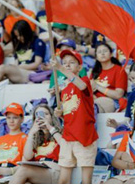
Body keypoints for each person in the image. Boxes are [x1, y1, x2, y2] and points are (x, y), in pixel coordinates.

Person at [50, 49, 98, 184]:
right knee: (63, 181)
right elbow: (71, 114)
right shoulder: (64, 89)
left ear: (79, 67)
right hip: (68, 136)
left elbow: (82, 86)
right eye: (64, 62)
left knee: (86, 181)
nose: (67, 65)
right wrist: (60, 114)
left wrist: (60, 68)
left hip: (84, 136)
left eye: (71, 62)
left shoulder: (84, 80)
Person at [9, 104, 62, 184]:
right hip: (37, 170)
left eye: (46, 114)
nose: (42, 117)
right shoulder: (36, 137)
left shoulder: (60, 132)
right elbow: (27, 156)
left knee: (24, 169)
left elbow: (65, 146)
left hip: (53, 170)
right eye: (38, 114)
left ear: (52, 117)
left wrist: (49, 127)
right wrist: (31, 133)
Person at [0, 20, 46, 85]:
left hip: (32, 73)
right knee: (1, 76)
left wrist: (21, 67)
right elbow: (16, 63)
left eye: (20, 35)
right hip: (19, 72)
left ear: (26, 33)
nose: (18, 38)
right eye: (17, 36)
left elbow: (37, 64)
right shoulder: (18, 44)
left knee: (2, 67)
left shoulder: (37, 42)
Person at [0, 103, 28, 177]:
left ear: (22, 119)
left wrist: (10, 171)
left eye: (15, 118)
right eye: (8, 118)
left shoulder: (26, 138)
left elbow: (25, 164)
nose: (11, 121)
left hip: (15, 173)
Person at [90, 43, 127, 113]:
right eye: (99, 52)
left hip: (112, 101)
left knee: (93, 107)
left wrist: (98, 87)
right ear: (96, 57)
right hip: (95, 101)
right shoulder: (94, 71)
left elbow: (118, 94)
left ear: (111, 54)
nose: (102, 53)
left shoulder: (119, 70)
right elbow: (90, 91)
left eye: (105, 51)